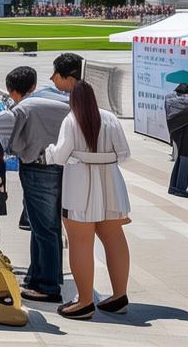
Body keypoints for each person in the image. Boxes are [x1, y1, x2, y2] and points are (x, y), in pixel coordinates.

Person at [45, 80, 132, 319]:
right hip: (111, 185)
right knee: (114, 238)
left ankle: (84, 301)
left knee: (80, 242)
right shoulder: (110, 118)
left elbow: (60, 156)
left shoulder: (71, 120)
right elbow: (124, 154)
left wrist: (49, 151)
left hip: (80, 187)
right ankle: (119, 295)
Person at [0, 58, 74, 303]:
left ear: (12, 92)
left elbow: (14, 145)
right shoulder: (60, 99)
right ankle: (38, 276)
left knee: (43, 228)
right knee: (48, 227)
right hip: (64, 167)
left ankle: (47, 285)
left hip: (37, 168)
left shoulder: (23, 109)